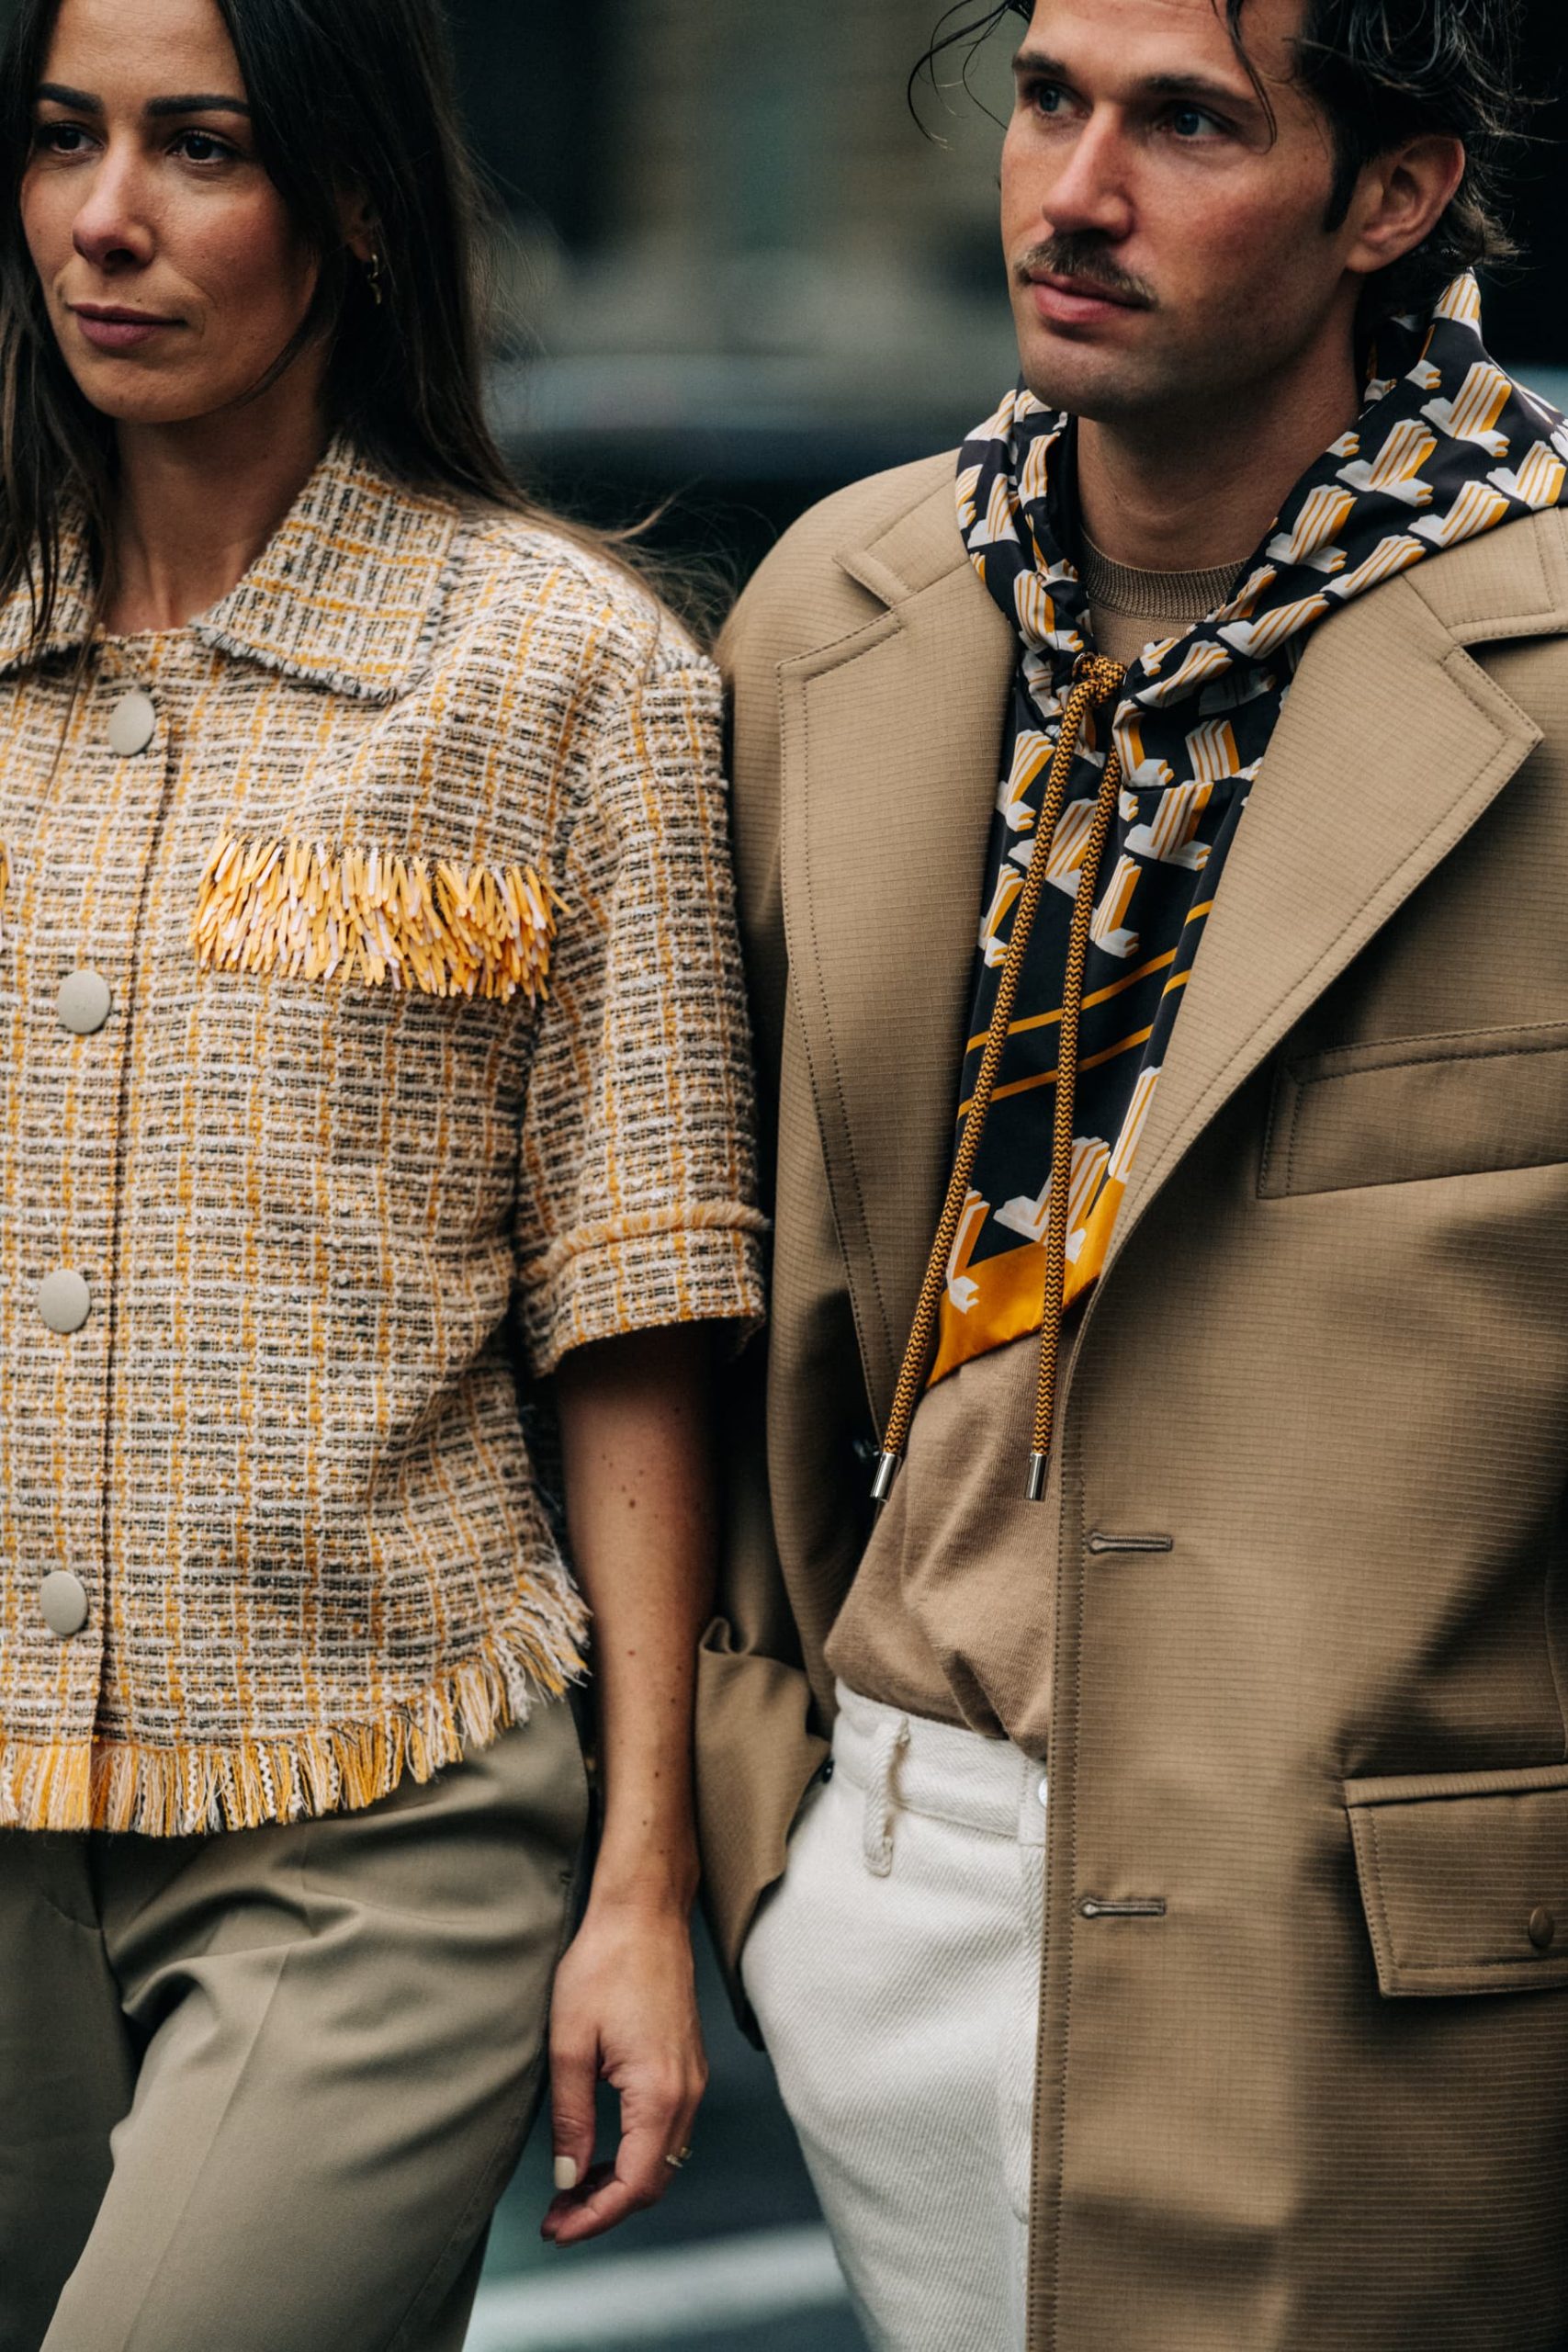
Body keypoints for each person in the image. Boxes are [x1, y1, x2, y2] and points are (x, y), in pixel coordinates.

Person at [701, 0, 1568, 2344]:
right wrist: (759, 1820)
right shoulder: (833, 614)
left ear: (1388, 197)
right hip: (879, 1870)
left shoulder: (1549, 651)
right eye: (1045, 98)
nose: (1071, 192)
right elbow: (723, 1256)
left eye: (1183, 120)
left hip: (1358, 1972)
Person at [0, 0, 764, 2343]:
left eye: (197, 148)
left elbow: (634, 1302)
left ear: (345, 205)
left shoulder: (562, 676)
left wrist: (641, 1878)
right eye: (60, 138)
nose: (106, 222)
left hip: (383, 1811)